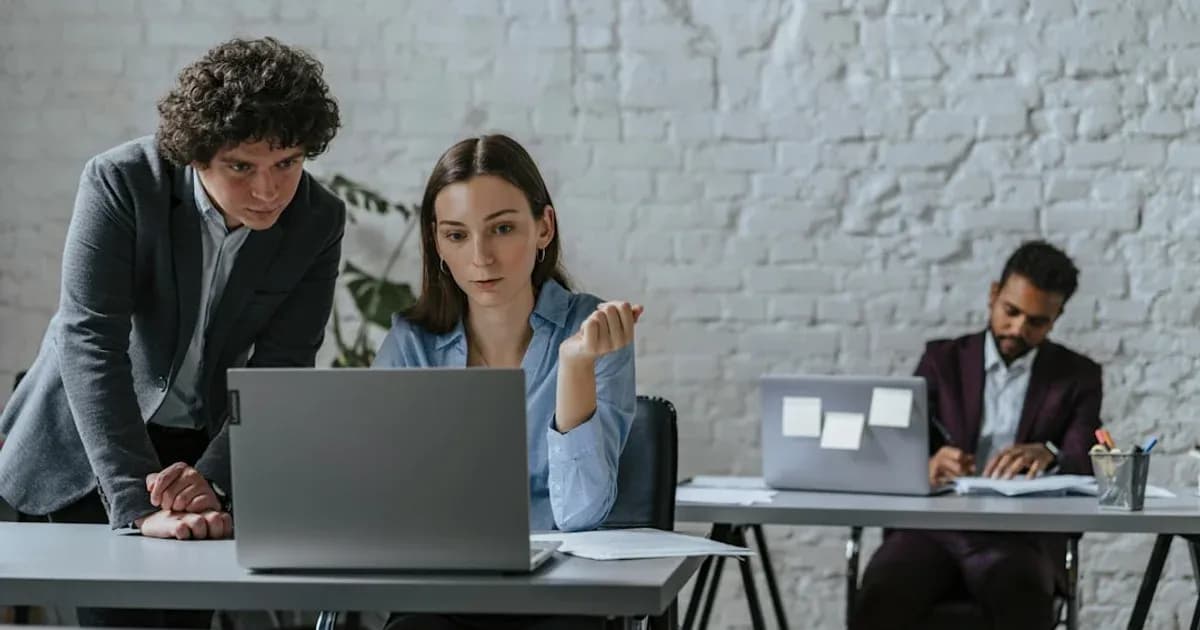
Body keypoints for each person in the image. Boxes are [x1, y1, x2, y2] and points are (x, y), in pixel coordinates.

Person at [0, 37, 344, 627]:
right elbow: (92, 343)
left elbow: (281, 365)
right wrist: (135, 504)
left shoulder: (317, 218)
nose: (268, 191)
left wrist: (210, 479)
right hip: (91, 446)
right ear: (196, 154)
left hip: (199, 449)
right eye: (241, 167)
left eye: (286, 163)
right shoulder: (121, 182)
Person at [374, 134, 640, 630]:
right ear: (437, 242)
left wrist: (575, 367)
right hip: (442, 592)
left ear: (544, 227)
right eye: (457, 235)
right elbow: (384, 506)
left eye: (501, 229)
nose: (481, 257)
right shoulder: (410, 343)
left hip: (561, 593)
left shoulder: (594, 331)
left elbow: (581, 516)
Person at [851, 240, 1103, 630]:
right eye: (1011, 311)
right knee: (883, 593)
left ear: (1057, 317)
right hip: (931, 529)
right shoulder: (942, 360)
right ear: (993, 295)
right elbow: (897, 441)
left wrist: (1049, 453)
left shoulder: (1077, 376)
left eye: (1036, 321)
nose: (1018, 328)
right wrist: (929, 462)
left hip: (1021, 537)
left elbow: (1086, 459)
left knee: (1022, 598)